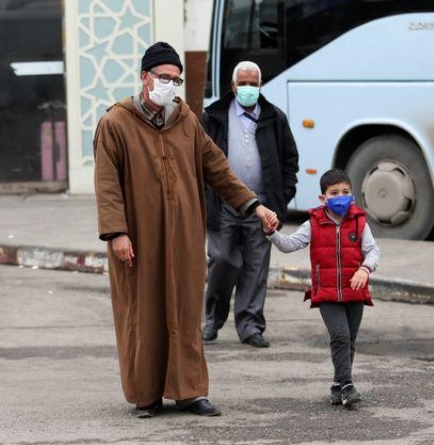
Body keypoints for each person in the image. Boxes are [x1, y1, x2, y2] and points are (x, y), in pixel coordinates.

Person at [93, 42, 278, 419]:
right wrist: (116, 233)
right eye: (164, 77)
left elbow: (219, 169)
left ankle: (189, 391)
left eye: (175, 80)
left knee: (185, 313)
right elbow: (107, 185)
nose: (170, 85)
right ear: (145, 78)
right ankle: (146, 395)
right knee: (143, 314)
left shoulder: (186, 121)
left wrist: (254, 205)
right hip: (138, 239)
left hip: (185, 238)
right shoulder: (116, 123)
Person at [200, 61, 299, 348]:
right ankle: (212, 321)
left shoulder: (274, 117)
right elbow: (200, 160)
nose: (247, 89)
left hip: (264, 206)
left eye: (252, 84)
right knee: (223, 260)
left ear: (260, 85)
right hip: (223, 204)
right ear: (233, 86)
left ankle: (250, 326)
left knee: (256, 267)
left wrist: (282, 197)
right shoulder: (214, 117)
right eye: (242, 84)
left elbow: (290, 159)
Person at [262, 169, 380, 407]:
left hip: (355, 292)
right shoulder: (313, 223)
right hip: (326, 293)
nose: (341, 197)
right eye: (334, 193)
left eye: (345, 192)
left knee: (349, 341)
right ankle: (348, 385)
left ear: (352, 194)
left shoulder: (359, 222)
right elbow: (289, 244)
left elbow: (373, 251)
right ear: (323, 198)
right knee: (340, 336)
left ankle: (338, 385)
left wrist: (364, 270)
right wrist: (271, 232)